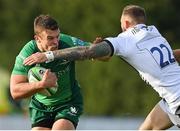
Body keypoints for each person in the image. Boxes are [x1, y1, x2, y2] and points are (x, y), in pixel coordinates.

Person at [23, 5, 180, 130]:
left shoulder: (124, 39)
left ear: (125, 23)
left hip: (177, 101)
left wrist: (49, 55)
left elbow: (86, 52)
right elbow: (169, 56)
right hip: (171, 99)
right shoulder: (155, 34)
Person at [10, 14, 93, 130]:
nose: (56, 42)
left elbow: (97, 52)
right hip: (41, 106)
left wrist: (101, 50)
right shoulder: (26, 55)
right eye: (50, 38)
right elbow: (15, 91)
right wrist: (41, 85)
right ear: (37, 38)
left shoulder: (66, 41)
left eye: (57, 36)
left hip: (68, 102)